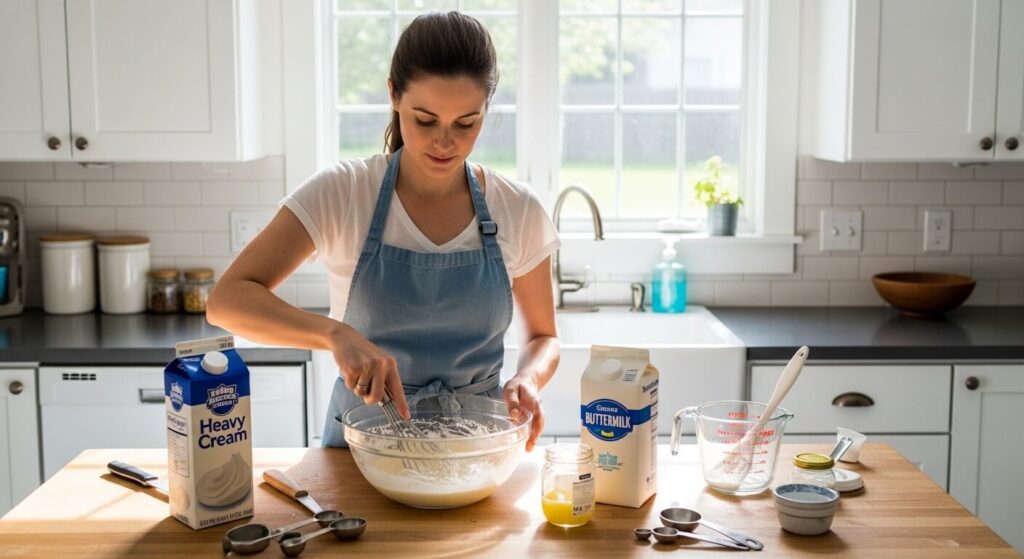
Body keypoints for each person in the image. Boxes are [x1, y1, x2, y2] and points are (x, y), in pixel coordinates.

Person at [206, 11, 560, 451]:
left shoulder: (517, 208)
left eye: (466, 123)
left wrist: (529, 376)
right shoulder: (344, 192)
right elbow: (227, 302)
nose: (444, 143)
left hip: (478, 450)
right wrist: (335, 334)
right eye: (425, 120)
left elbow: (544, 337)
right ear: (394, 95)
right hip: (361, 451)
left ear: (486, 110)